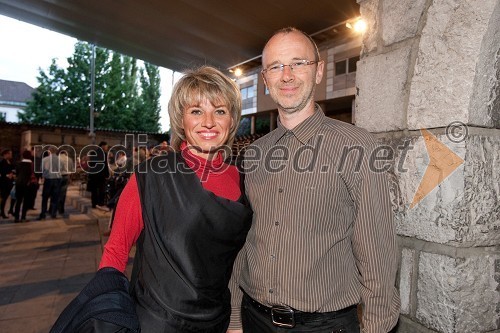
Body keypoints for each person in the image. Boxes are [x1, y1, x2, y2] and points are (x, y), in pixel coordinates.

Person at [52, 66, 252, 333]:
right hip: (156, 322)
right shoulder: (150, 176)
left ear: (232, 120)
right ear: (181, 119)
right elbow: (116, 250)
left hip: (218, 321)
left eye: (219, 111)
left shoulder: (241, 179)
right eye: (196, 111)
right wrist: (109, 314)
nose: (208, 122)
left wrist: (236, 323)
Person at [229, 27, 400, 333]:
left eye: (298, 63)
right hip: (254, 319)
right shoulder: (255, 154)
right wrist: (233, 317)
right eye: (276, 67)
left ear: (319, 71)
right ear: (266, 80)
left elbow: (377, 252)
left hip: (324, 325)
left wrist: (377, 326)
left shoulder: (356, 147)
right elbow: (245, 241)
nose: (287, 75)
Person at [38, 146, 62, 220]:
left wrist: (43, 176)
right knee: (55, 198)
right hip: (57, 179)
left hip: (48, 179)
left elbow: (42, 169)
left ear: (49, 151)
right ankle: (53, 214)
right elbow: (61, 168)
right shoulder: (59, 159)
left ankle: (43, 214)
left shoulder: (45, 159)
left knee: (45, 198)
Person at [87, 141, 110, 209]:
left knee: (94, 190)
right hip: (101, 175)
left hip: (94, 174)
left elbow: (90, 164)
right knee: (101, 189)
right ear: (102, 146)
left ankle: (94, 204)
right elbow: (105, 165)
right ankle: (100, 203)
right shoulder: (104, 154)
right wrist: (107, 175)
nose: (106, 148)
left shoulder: (93, 153)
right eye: (106, 147)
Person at [57, 149, 74, 216]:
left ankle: (56, 208)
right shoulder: (69, 159)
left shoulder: (57, 158)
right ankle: (61, 209)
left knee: (57, 193)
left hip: (58, 176)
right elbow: (72, 170)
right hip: (66, 176)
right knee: (63, 193)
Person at [0, 149, 15, 219]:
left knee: (10, 197)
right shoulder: (2, 162)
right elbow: (2, 172)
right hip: (4, 183)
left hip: (10, 182)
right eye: (10, 154)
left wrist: (13, 174)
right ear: (6, 154)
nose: (11, 155)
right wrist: (7, 175)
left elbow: (13, 169)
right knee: (4, 198)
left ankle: (8, 210)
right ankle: (2, 212)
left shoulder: (10, 161)